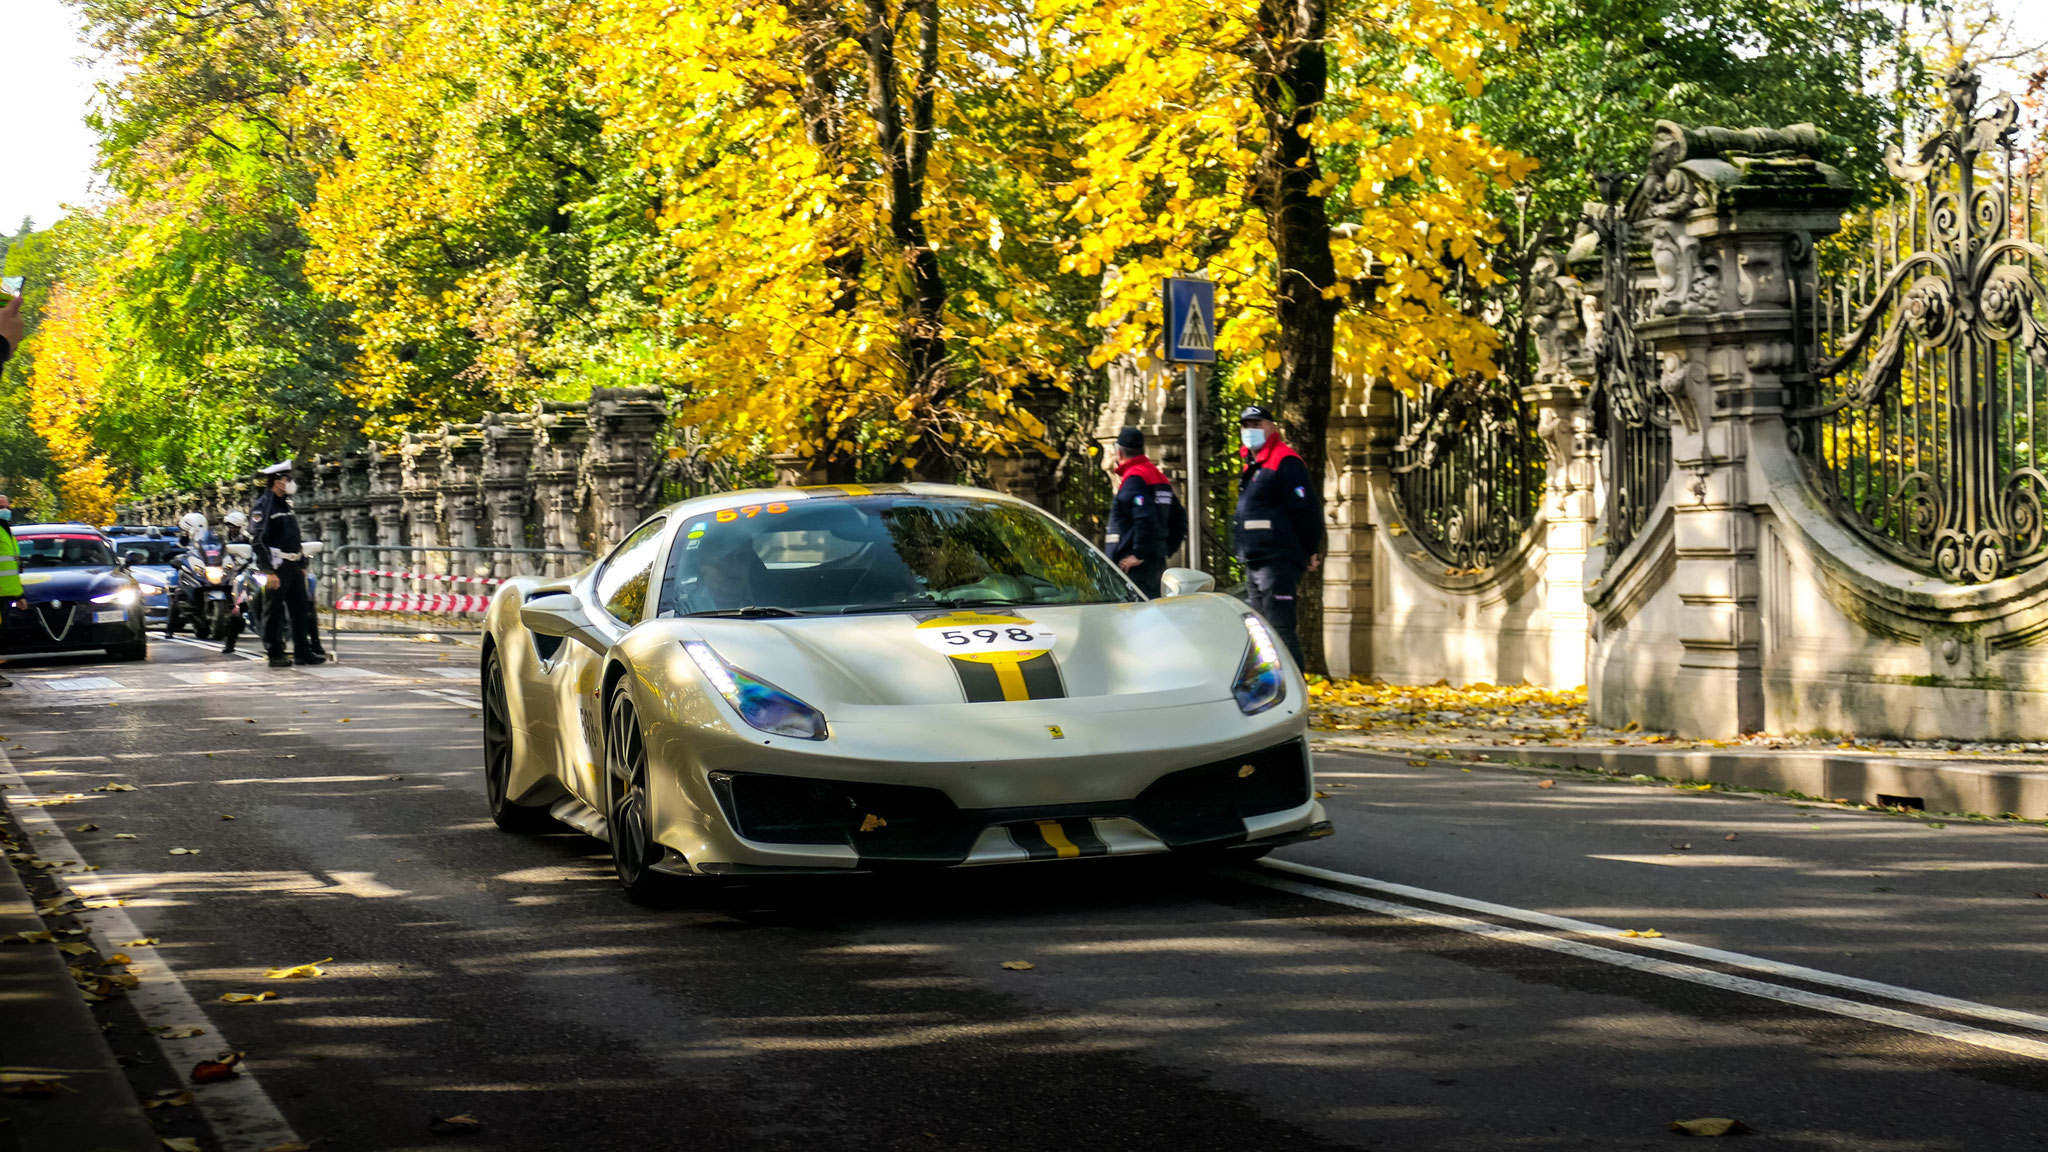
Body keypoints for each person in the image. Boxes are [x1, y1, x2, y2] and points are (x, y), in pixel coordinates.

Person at [1231, 404, 1323, 668]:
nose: (1250, 430)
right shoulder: (1254, 463)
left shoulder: (1285, 461)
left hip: (1277, 560)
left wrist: (1310, 549)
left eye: (1257, 424)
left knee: (1280, 630)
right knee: (1261, 632)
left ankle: (1296, 695)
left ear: (1272, 427)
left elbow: (1306, 509)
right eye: (1246, 425)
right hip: (1256, 559)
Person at [249, 460, 325, 669]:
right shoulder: (264, 506)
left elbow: (293, 537)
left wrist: (301, 563)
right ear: (277, 481)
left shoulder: (286, 505)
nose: (290, 483)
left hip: (293, 565)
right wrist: (269, 571)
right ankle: (275, 653)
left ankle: (303, 651)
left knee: (301, 610)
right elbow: (258, 540)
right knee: (273, 611)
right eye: (287, 479)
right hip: (277, 566)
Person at [1103, 427, 1179, 598]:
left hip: (1132, 568)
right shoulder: (1159, 477)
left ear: (1119, 453)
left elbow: (1145, 517)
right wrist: (1163, 550)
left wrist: (1139, 554)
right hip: (1155, 563)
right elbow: (1179, 519)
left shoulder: (1134, 480)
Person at [0, 493, 20, 688]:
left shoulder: (7, 530)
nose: (5, 510)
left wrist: (19, 594)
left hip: (6, 593)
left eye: (6, 506)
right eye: (1, 507)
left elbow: (12, 568)